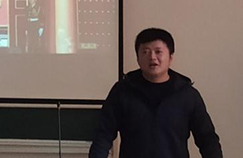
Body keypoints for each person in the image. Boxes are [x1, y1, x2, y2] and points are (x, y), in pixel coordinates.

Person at [89, 28, 222, 158]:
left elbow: (207, 139)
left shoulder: (187, 95)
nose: (152, 57)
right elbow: (103, 135)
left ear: (170, 57)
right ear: (137, 58)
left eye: (158, 52)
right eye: (145, 52)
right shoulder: (122, 91)